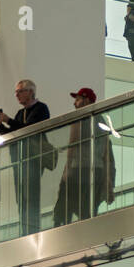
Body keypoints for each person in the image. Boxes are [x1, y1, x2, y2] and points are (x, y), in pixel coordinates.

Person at [0, 79, 51, 234]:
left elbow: (29, 131)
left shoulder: (41, 108)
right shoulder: (20, 113)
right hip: (20, 161)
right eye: (16, 92)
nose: (16, 95)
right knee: (21, 200)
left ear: (30, 92)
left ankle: (32, 232)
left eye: (19, 91)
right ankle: (25, 232)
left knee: (31, 198)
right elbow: (12, 137)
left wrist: (8, 120)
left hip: (33, 160)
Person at [52, 88, 115, 225]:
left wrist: (66, 170)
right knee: (87, 212)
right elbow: (106, 154)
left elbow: (73, 144)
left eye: (78, 99)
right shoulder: (102, 121)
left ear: (87, 101)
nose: (75, 103)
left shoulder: (79, 118)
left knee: (62, 211)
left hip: (78, 170)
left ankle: (64, 237)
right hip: (97, 171)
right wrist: (108, 182)